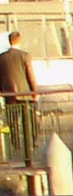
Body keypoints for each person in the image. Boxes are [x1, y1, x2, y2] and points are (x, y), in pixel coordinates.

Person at [0, 33, 37, 165]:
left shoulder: (1, 58)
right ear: (19, 40)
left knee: (12, 120)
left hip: (9, 95)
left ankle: (15, 143)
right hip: (25, 94)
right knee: (30, 120)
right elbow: (30, 75)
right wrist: (34, 91)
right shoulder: (24, 55)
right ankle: (32, 141)